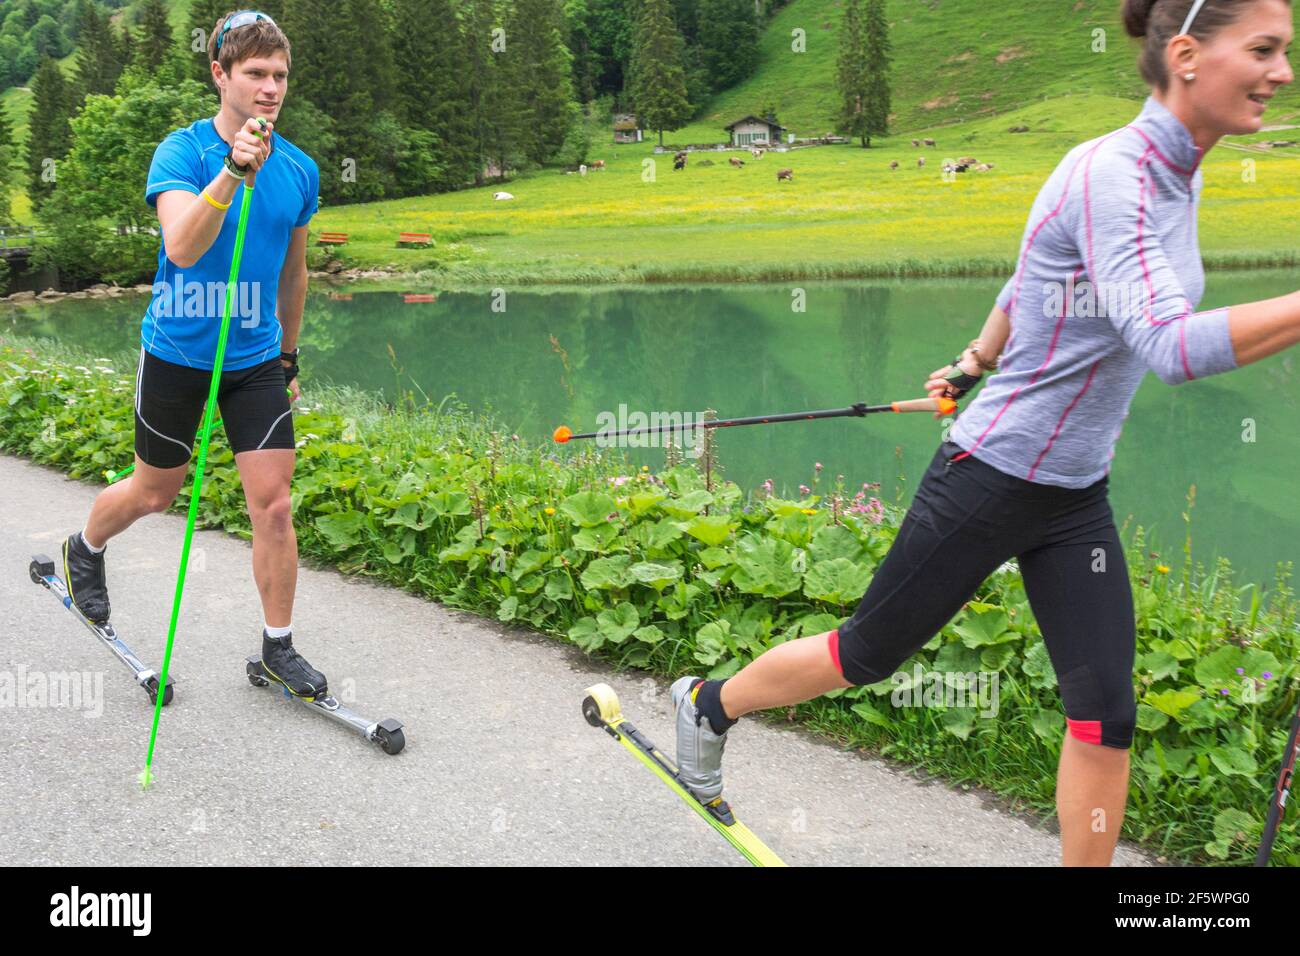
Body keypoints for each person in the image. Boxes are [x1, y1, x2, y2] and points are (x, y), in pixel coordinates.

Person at [671, 0, 1296, 866]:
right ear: (1187, 55)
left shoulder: (1174, 175)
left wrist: (973, 359)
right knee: (866, 654)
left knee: (1104, 714)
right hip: (992, 477)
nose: (1282, 72)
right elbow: (1170, 345)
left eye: (1286, 51)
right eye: (1263, 49)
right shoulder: (1113, 173)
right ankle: (709, 704)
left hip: (1075, 496)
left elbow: (1031, 270)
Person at [60, 10, 326, 700]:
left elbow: (293, 274)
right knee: (157, 490)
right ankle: (84, 547)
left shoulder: (298, 170)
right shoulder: (181, 153)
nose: (271, 87)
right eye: (255, 73)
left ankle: (277, 649)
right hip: (177, 351)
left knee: (273, 506)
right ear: (220, 75)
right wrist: (233, 172)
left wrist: (289, 358)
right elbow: (182, 245)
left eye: (280, 75)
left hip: (256, 361)